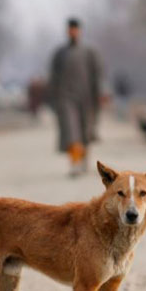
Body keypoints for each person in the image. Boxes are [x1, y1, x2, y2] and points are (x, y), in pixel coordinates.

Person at [49, 17, 102, 176]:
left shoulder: (89, 52)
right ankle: (75, 163)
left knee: (85, 131)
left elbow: (97, 76)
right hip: (66, 98)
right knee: (72, 132)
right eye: (70, 29)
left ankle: (84, 159)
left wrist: (98, 95)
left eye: (75, 29)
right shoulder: (60, 53)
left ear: (79, 30)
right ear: (67, 31)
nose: (72, 32)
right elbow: (53, 78)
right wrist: (54, 99)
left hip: (86, 98)